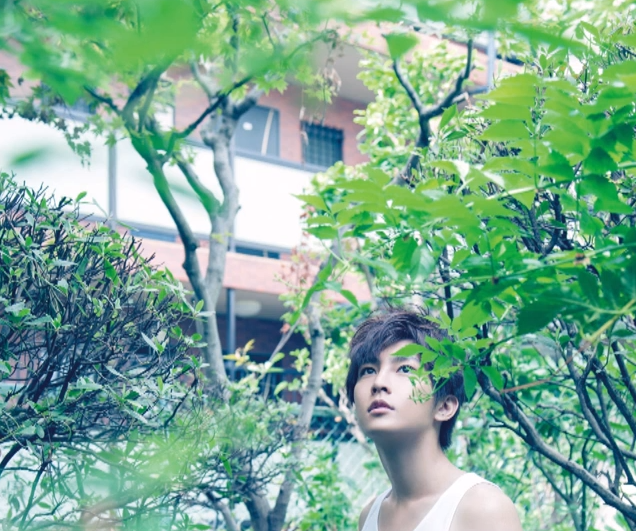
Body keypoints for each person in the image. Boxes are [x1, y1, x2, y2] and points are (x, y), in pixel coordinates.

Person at [347, 309, 523, 531]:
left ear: (444, 406)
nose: (379, 382)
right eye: (368, 371)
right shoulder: (369, 515)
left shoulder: (483, 508)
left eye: (405, 368)